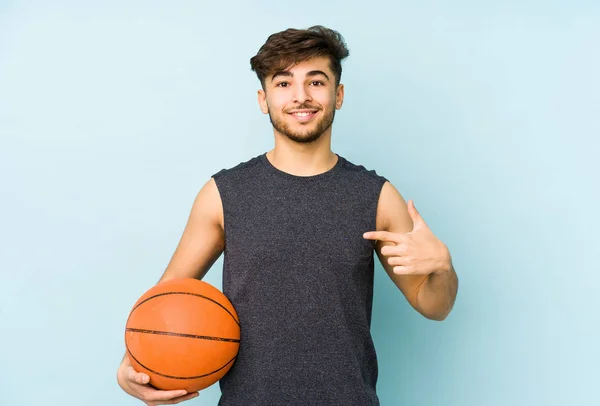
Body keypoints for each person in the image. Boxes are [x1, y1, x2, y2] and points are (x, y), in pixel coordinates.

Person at [116, 25, 458, 406]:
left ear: (338, 95)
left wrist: (442, 268)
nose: (301, 97)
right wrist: (132, 363)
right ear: (263, 99)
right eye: (283, 84)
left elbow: (435, 306)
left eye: (316, 81)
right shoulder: (222, 195)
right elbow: (163, 302)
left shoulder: (376, 197)